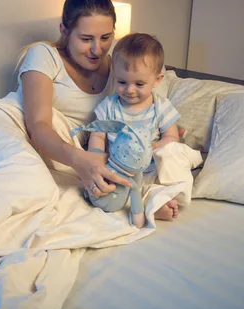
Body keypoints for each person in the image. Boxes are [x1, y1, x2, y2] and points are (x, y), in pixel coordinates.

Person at [17, 0, 178, 221]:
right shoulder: (44, 55)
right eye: (85, 39)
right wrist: (81, 160)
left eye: (105, 38)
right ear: (64, 30)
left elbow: (151, 97)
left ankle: (144, 200)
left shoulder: (120, 70)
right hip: (33, 137)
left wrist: (164, 136)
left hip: (79, 154)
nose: (97, 49)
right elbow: (38, 124)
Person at [71, 33, 183, 227]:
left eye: (139, 84)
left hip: (149, 166)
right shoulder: (109, 106)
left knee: (172, 162)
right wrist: (95, 157)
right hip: (118, 166)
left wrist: (150, 147)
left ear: (157, 80)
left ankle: (155, 201)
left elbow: (172, 138)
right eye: (122, 82)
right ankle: (145, 203)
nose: (129, 90)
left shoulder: (160, 107)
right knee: (107, 186)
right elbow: (98, 134)